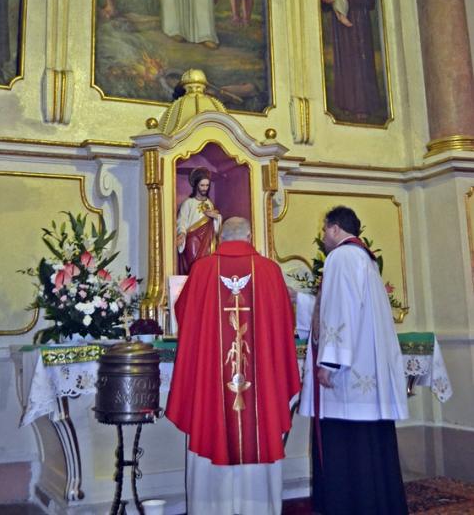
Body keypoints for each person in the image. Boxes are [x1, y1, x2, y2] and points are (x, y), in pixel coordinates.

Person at [166, 216, 301, 515]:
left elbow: (184, 315)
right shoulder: (269, 271)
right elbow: (285, 325)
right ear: (250, 236)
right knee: (258, 423)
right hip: (260, 385)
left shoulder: (201, 270)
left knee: (210, 418)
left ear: (219, 238)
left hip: (213, 383)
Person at [297, 206, 409, 515]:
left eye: (324, 229)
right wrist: (302, 302)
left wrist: (329, 362)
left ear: (335, 228)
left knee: (347, 446)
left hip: (348, 376)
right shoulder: (364, 258)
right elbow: (342, 306)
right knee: (370, 446)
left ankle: (348, 505)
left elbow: (340, 309)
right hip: (365, 368)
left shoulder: (341, 257)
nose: (323, 236)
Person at [326, 0, 385, 120]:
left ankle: (362, 105)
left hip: (358, 22)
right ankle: (345, 103)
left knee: (359, 61)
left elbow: (369, 1)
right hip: (340, 23)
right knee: (344, 60)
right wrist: (327, 0)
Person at [176, 167, 221, 275]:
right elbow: (182, 220)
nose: (205, 188)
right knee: (193, 265)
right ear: (196, 185)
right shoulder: (188, 203)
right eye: (202, 185)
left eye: (207, 185)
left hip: (207, 239)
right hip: (192, 239)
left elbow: (215, 227)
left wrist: (216, 217)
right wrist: (182, 233)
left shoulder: (209, 203)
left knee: (206, 265)